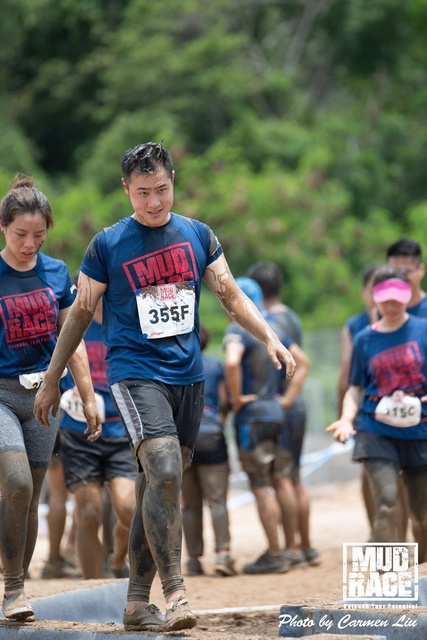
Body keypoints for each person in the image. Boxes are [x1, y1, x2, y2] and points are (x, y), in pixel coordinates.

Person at [33, 141, 296, 633]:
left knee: (160, 484)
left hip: (188, 378)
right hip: (134, 374)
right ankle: (175, 594)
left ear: (173, 179)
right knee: (167, 471)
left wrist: (271, 337)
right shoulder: (107, 245)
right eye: (142, 193)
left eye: (162, 190)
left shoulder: (198, 234)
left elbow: (231, 295)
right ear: (125, 190)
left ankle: (136, 603)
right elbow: (81, 315)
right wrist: (54, 378)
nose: (154, 202)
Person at [0, 175, 101, 622]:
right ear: (4, 227)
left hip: (46, 397)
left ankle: (16, 592)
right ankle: (14, 588)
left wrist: (87, 393)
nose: (29, 244)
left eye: (39, 235)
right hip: (1, 395)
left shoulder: (58, 273)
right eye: (21, 234)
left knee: (31, 496)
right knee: (17, 484)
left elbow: (72, 339)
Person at [326, 265, 427, 562]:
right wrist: (346, 418)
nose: (392, 305)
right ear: (374, 298)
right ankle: (388, 579)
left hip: (419, 431)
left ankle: (422, 575)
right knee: (386, 501)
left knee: (422, 516)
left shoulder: (423, 331)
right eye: (386, 299)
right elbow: (355, 388)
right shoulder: (364, 340)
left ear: (407, 295)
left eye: (398, 298)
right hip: (375, 429)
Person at [224, 277, 310, 574]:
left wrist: (236, 399)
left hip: (253, 417)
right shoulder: (278, 329)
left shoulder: (237, 329)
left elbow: (232, 362)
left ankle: (274, 553)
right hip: (277, 413)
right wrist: (286, 399)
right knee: (283, 479)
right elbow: (303, 362)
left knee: (261, 486)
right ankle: (292, 548)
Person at [246, 261, 319, 566]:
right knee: (296, 478)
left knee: (283, 479)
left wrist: (285, 399)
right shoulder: (292, 315)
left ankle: (290, 547)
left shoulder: (271, 320)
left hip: (280, 406)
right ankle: (305, 545)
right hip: (295, 405)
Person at [58, 296, 136, 579]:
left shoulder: (129, 322)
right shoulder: (70, 325)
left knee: (128, 508)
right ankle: (93, 587)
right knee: (88, 512)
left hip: (121, 431)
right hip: (79, 431)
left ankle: (117, 560)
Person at [181, 323, 236, 578]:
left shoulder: (176, 364)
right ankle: (223, 555)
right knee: (217, 501)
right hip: (212, 437)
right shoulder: (215, 365)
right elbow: (225, 402)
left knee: (190, 505)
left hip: (185, 439)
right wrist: (218, 423)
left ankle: (193, 560)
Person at [336, 262, 380, 535]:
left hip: (402, 408)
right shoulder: (354, 326)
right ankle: (377, 530)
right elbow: (346, 374)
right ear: (364, 292)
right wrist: (343, 416)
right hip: (365, 410)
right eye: (373, 288)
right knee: (369, 470)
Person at [387, 237, 427, 316]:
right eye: (394, 271)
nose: (400, 277)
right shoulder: (380, 312)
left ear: (421, 270)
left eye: (406, 271)